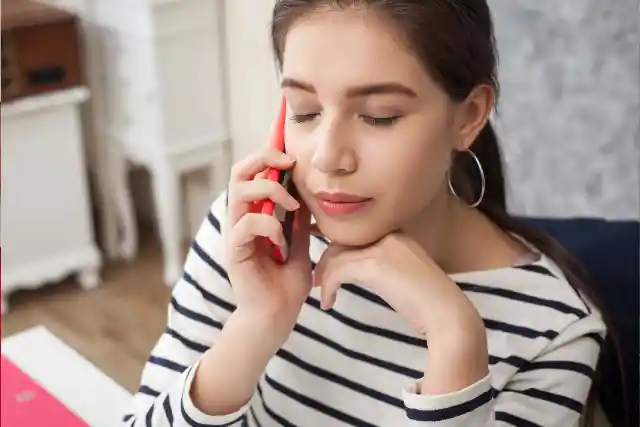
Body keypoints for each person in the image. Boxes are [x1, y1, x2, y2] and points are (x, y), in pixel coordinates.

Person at [122, 1, 609, 426]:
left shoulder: (555, 331)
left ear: (468, 116)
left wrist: (454, 339)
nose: (328, 157)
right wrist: (257, 324)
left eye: (379, 115)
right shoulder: (250, 234)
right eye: (305, 110)